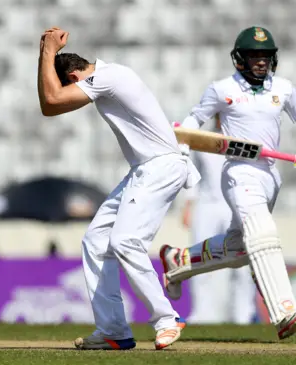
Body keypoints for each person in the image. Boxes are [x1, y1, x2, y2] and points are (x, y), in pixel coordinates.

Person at [37, 27, 201, 350]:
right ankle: (113, 329)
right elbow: (51, 99)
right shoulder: (108, 76)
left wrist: (45, 52)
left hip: (160, 165)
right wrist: (46, 54)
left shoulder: (108, 78)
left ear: (73, 77)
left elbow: (50, 102)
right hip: (143, 168)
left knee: (125, 241)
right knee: (96, 241)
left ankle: (167, 319)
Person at [160, 26, 296, 340]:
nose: (260, 62)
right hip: (239, 172)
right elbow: (194, 121)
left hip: (270, 173)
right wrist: (180, 142)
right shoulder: (221, 89)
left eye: (265, 56)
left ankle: (177, 261)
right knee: (262, 233)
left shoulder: (283, 88)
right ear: (240, 59)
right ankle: (283, 311)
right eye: (253, 56)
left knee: (239, 248)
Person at [162, 118, 256, 325]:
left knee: (241, 259)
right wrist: (189, 205)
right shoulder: (204, 139)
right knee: (197, 256)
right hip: (206, 204)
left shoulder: (245, 138)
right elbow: (194, 173)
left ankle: (243, 313)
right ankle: (203, 312)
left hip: (235, 203)